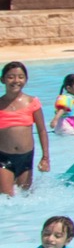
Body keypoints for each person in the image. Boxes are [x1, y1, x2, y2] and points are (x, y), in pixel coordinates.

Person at [0, 61, 50, 193]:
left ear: (26, 80)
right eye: (11, 77)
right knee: (6, 198)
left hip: (26, 157)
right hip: (3, 157)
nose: (16, 80)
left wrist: (45, 157)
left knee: (25, 196)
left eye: (20, 77)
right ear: (2, 79)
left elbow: (42, 130)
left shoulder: (32, 102)